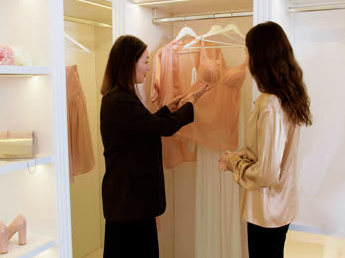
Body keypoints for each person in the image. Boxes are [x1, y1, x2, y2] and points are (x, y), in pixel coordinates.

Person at [99, 35, 211, 258]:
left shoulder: (118, 98)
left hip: (129, 200)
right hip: (128, 201)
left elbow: (145, 126)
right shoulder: (120, 100)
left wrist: (170, 108)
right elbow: (161, 128)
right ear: (130, 63)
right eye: (145, 61)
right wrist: (189, 104)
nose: (148, 68)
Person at [218, 21, 312, 258]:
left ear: (260, 56)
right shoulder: (286, 97)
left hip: (266, 210)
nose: (246, 58)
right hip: (279, 206)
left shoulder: (270, 104)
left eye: (247, 51)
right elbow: (272, 153)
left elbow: (267, 173)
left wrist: (233, 163)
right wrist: (243, 153)